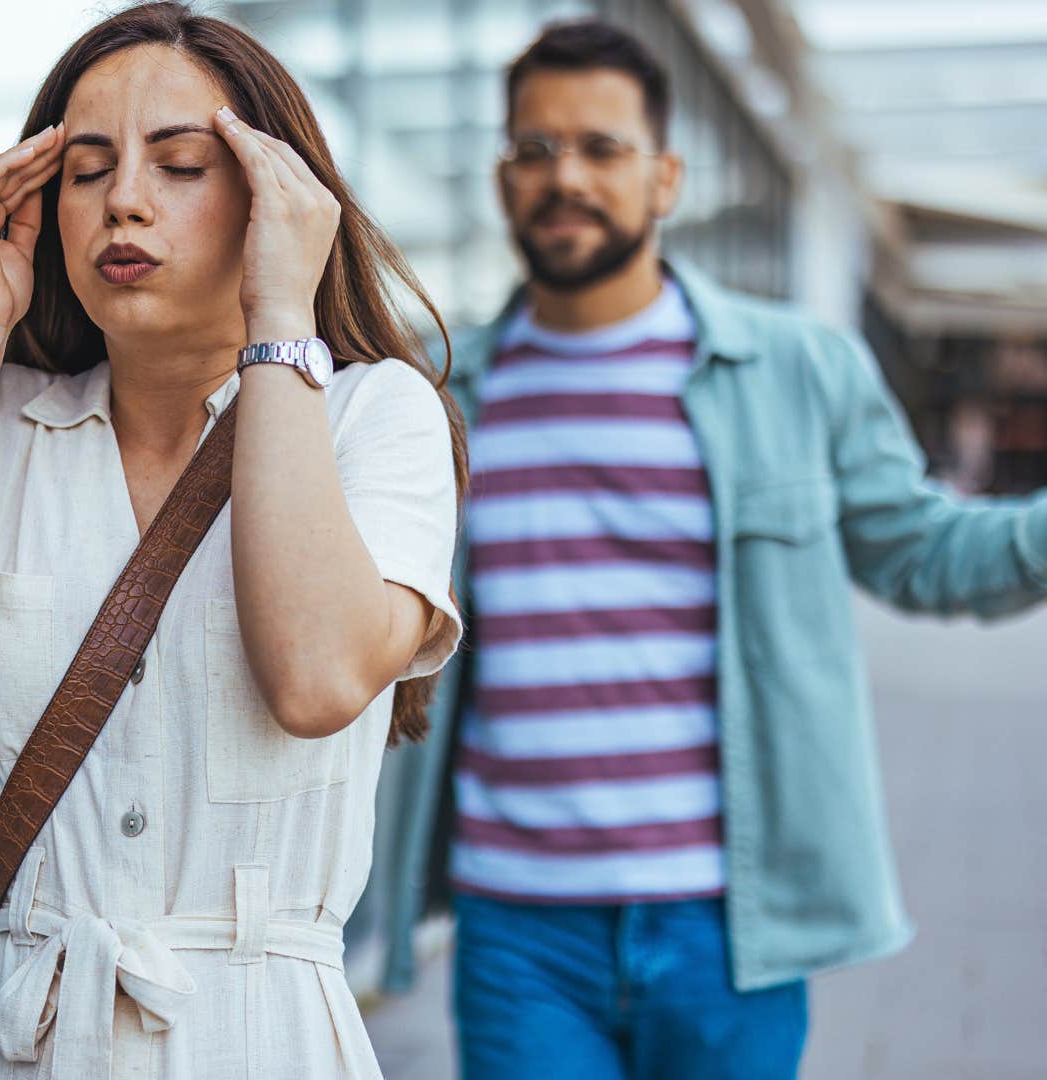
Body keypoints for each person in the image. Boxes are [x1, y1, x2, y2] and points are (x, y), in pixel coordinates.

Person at [376, 19, 1047, 1080]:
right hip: (518, 929)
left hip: (732, 921)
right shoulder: (438, 396)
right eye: (535, 150)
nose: (567, 177)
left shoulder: (797, 370)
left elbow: (927, 554)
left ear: (667, 178)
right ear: (503, 178)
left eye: (601, 148)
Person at [0, 3, 468, 1075]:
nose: (123, 200)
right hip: (15, 1042)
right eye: (84, 170)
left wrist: (280, 318)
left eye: (179, 164)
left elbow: (315, 681)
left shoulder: (373, 414)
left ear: (277, 198)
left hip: (260, 1039)